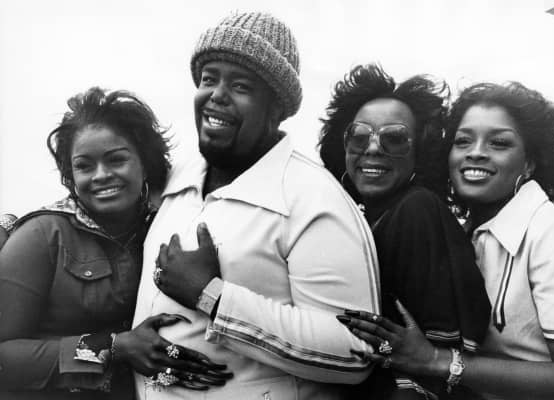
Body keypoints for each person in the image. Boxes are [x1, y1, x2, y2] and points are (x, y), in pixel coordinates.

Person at [132, 11, 380, 400]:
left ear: (277, 108)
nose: (217, 95)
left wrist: (212, 296)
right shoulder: (177, 180)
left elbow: (355, 353)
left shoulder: (313, 198)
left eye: (240, 85)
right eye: (208, 78)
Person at [341, 81, 554, 399]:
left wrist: (436, 360)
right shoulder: (464, 234)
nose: (476, 152)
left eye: (499, 143)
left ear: (530, 162)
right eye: (463, 141)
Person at [0, 87, 232, 400]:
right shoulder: (41, 235)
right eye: (84, 166)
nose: (101, 175)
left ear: (145, 163)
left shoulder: (165, 226)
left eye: (117, 160)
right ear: (70, 175)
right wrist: (112, 347)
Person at [318, 64, 490, 399]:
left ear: (420, 152)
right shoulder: (365, 217)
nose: (372, 148)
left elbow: (430, 351)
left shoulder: (416, 209)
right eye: (359, 136)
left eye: (394, 138)